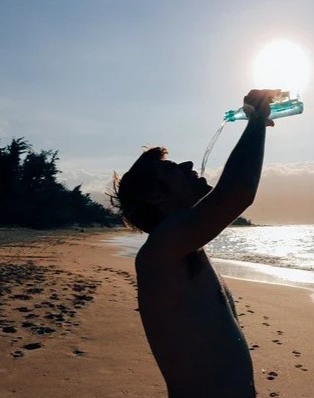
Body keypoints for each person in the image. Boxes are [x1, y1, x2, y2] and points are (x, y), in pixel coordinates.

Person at [112, 89, 279, 398]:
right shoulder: (160, 251)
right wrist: (256, 121)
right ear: (157, 195)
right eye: (172, 168)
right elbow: (237, 192)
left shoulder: (185, 249)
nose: (188, 164)